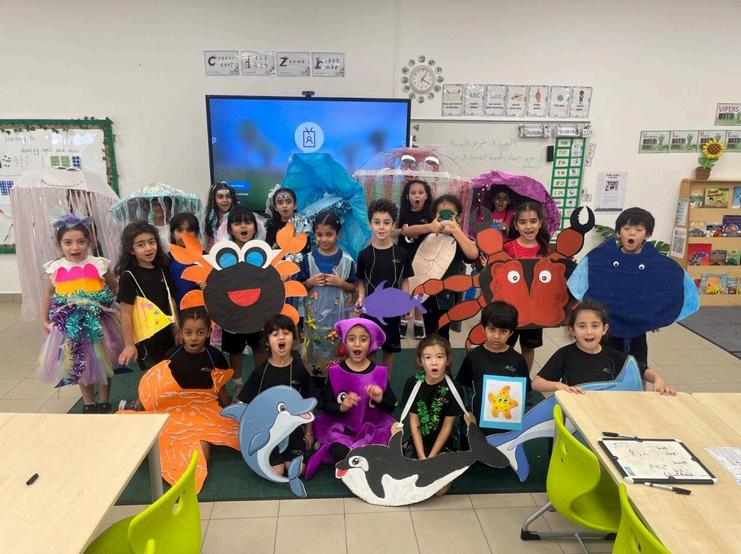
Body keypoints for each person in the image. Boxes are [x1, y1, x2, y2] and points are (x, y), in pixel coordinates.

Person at [38, 215, 122, 413]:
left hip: (100, 324)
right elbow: (48, 294)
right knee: (79, 362)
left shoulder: (99, 264)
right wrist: (44, 319)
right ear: (59, 244)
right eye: (68, 242)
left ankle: (104, 400)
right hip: (70, 326)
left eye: (81, 241)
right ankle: (88, 402)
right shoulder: (55, 267)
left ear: (90, 242)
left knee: (103, 361)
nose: (75, 247)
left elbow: (115, 287)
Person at [305, 317, 397, 478]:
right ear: (345, 343)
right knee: (339, 451)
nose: (357, 344)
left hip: (372, 429)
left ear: (370, 343)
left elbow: (391, 405)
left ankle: (359, 459)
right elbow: (325, 405)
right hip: (342, 430)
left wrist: (380, 399)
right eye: (352, 339)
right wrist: (342, 406)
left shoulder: (380, 373)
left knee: (384, 447)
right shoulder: (335, 372)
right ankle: (356, 459)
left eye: (363, 339)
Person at [532, 299, 675, 394]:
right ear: (572, 330)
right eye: (582, 326)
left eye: (595, 326)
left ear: (604, 329)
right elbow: (537, 383)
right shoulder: (565, 354)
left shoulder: (612, 355)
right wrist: (558, 386)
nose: (589, 332)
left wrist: (658, 379)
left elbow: (642, 370)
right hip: (575, 414)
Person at [237, 314, 317, 476]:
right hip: (269, 431)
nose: (281, 337)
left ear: (294, 339)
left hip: (294, 429)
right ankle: (271, 454)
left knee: (298, 471)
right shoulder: (261, 372)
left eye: (286, 333)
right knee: (277, 471)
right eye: (275, 334)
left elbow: (309, 403)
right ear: (268, 341)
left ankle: (296, 451)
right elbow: (245, 404)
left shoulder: (300, 370)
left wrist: (308, 432)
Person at [119, 306, 231, 410]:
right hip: (177, 403)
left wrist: (229, 411)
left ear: (208, 333)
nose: (194, 338)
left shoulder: (215, 356)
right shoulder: (172, 355)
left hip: (205, 404)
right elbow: (157, 382)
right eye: (188, 333)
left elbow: (221, 388)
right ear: (181, 332)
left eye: (200, 333)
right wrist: (139, 405)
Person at [356, 198, 414, 373]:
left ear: (393, 225)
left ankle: (385, 384)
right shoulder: (364, 255)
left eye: (386, 223)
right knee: (370, 348)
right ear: (370, 224)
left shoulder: (402, 254)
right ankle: (370, 381)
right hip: (370, 310)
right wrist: (361, 297)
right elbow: (361, 280)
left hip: (392, 311)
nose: (381, 227)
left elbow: (405, 280)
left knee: (390, 349)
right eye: (377, 222)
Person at [456, 301, 531, 434]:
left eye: (503, 331)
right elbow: (462, 388)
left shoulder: (518, 361)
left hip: (506, 426)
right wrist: (467, 412)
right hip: (477, 422)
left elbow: (525, 394)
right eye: (492, 329)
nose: (496, 336)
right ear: (483, 328)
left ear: (511, 332)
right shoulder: (473, 357)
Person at [298, 212, 357, 381]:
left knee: (337, 354)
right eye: (319, 235)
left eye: (329, 234)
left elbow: (353, 288)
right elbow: (300, 287)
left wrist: (340, 283)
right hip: (314, 321)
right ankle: (314, 385)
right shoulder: (308, 259)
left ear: (338, 234)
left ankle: (335, 384)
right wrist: (309, 282)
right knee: (314, 356)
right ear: (314, 235)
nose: (324, 239)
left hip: (337, 319)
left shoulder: (346, 260)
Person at [605, 207, 661, 379]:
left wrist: (656, 316)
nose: (632, 233)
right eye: (627, 228)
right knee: (608, 366)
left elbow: (657, 292)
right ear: (618, 232)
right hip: (610, 326)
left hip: (637, 329)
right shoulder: (607, 260)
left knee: (637, 368)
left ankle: (636, 392)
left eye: (639, 230)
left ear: (647, 234)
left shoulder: (652, 264)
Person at [116, 221, 177, 370]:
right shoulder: (128, 277)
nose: (148, 248)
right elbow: (125, 314)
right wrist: (129, 344)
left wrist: (178, 329)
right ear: (131, 250)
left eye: (151, 242)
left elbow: (171, 300)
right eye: (141, 245)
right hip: (147, 340)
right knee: (157, 375)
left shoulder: (162, 268)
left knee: (175, 370)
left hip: (168, 334)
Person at [220, 206, 266, 399]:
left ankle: (261, 383)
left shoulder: (262, 251)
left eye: (248, 222)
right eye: (238, 223)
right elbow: (218, 280)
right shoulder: (223, 253)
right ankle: (238, 385)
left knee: (259, 347)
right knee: (235, 349)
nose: (243, 227)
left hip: (258, 311)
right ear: (230, 229)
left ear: (255, 227)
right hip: (232, 313)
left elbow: (268, 279)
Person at [421, 194, 479, 341]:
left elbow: (473, 255)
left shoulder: (458, 238)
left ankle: (442, 353)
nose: (446, 219)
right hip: (428, 293)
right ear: (435, 216)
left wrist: (456, 230)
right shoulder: (429, 235)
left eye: (450, 215)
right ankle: (430, 353)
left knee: (442, 333)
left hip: (447, 294)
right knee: (430, 330)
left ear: (458, 217)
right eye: (442, 215)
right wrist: (431, 227)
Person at [503, 201, 551, 371]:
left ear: (540, 223)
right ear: (516, 225)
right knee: (506, 345)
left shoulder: (546, 249)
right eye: (523, 222)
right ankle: (504, 375)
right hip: (510, 307)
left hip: (535, 309)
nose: (528, 226)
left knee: (528, 347)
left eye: (533, 221)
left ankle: (525, 379)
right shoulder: (508, 247)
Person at [401, 334, 463, 461]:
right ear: (420, 361)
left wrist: (431, 457)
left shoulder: (454, 388)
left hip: (443, 443)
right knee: (411, 470)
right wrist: (422, 456)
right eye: (428, 357)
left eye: (439, 357)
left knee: (442, 473)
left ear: (447, 360)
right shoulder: (412, 383)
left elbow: (447, 427)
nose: (434, 362)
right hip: (418, 442)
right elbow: (414, 422)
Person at [396, 179, 434, 339]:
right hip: (404, 257)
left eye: (420, 193)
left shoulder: (431, 215)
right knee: (404, 289)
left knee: (419, 290)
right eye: (413, 193)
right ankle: (403, 320)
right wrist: (405, 231)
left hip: (424, 257)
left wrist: (419, 231)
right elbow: (395, 232)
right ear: (407, 196)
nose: (417, 196)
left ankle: (419, 322)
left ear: (426, 196)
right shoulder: (402, 214)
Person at [167, 212, 203, 307]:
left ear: (196, 233)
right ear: (172, 234)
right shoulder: (166, 261)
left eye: (189, 230)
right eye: (179, 230)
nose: (184, 234)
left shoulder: (206, 258)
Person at [204, 182, 238, 249]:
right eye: (220, 197)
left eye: (228, 196)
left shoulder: (239, 217)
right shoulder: (207, 220)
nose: (225, 200)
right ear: (214, 200)